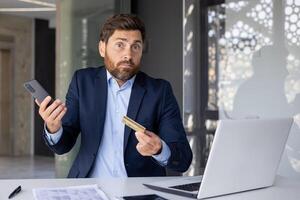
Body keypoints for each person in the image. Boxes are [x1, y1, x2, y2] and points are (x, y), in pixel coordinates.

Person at [37, 14, 193, 178]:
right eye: (120, 45)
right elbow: (63, 146)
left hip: (138, 192)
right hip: (88, 187)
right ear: (102, 48)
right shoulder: (82, 81)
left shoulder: (159, 91)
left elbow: (183, 159)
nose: (128, 55)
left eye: (136, 46)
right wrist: (53, 128)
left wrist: (159, 149)